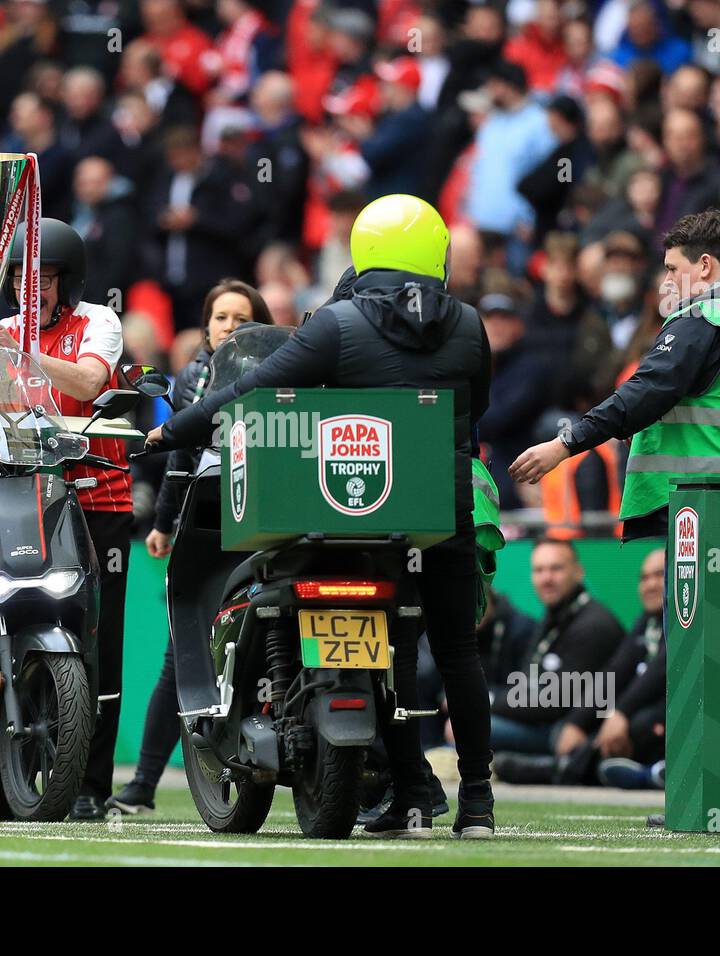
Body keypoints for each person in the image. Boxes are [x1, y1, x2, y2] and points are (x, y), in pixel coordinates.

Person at [147, 194, 497, 839]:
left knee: (389, 649)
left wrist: (173, 432)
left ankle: (406, 784)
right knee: (455, 651)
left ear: (363, 252)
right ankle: (475, 799)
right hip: (439, 511)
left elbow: (248, 390)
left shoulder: (337, 324)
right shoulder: (472, 324)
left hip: (345, 513)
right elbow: (473, 415)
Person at [510, 208, 720, 542]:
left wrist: (565, 443)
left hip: (706, 504)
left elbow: (644, 392)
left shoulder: (704, 318)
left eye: (673, 269)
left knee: (694, 597)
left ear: (704, 265)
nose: (667, 282)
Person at [0, 218, 134, 820]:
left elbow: (90, 380)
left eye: (44, 279)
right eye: (23, 278)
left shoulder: (99, 321)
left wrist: (20, 353)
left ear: (66, 283)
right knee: (7, 621)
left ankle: (94, 784)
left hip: (99, 498)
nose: (34, 290)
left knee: (99, 639)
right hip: (28, 496)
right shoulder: (1, 330)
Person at [109, 279, 273, 814]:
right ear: (205, 326)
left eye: (242, 318)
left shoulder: (277, 369)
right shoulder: (189, 379)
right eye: (221, 317)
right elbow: (178, 461)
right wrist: (162, 522)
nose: (230, 326)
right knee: (179, 656)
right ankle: (143, 786)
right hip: (206, 522)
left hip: (266, 517)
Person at [488, 538, 623, 759]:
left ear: (578, 572)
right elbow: (525, 685)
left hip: (571, 732)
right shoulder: (554, 616)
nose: (546, 578)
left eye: (556, 569)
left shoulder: (594, 624)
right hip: (545, 723)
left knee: (469, 727)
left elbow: (553, 703)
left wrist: (489, 701)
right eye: (539, 570)